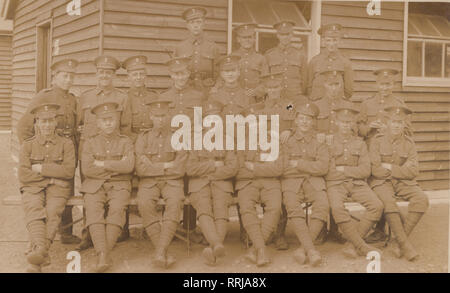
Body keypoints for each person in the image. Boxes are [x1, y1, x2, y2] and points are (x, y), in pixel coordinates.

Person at [17, 58, 81, 245]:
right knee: (43, 195)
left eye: (71, 76)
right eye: (64, 76)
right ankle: (40, 236)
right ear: (55, 77)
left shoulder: (72, 99)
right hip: (46, 152)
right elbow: (24, 127)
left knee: (65, 189)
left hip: (67, 151)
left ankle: (66, 233)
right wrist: (33, 151)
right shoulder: (43, 96)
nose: (68, 80)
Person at [77, 55, 132, 250]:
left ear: (114, 75)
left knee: (116, 189)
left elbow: (125, 127)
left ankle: (120, 230)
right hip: (91, 151)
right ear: (96, 73)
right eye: (101, 72)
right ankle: (88, 234)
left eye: (108, 72)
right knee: (91, 192)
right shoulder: (86, 96)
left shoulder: (122, 97)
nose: (104, 76)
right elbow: (79, 124)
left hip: (116, 150)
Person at [18, 103, 76, 273]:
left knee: (52, 212)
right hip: (34, 187)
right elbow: (23, 175)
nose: (47, 125)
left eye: (50, 121)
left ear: (55, 122)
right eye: (43, 121)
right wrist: (51, 179)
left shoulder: (66, 144)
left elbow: (68, 171)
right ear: (36, 123)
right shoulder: (28, 145)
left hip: (58, 189)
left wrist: (41, 169)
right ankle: (42, 252)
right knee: (34, 208)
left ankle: (36, 256)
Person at [369, 102, 428, 261]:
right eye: (394, 121)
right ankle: (405, 245)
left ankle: (397, 242)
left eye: (400, 122)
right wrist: (400, 170)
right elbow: (375, 170)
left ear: (404, 124)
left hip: (403, 183)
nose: (396, 125)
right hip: (381, 182)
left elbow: (414, 170)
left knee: (422, 199)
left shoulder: (409, 143)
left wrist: (388, 166)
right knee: (388, 202)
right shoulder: (377, 140)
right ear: (387, 122)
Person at [80, 102, 135, 272]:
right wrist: (115, 167)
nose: (108, 123)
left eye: (111, 119)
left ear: (117, 120)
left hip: (119, 186)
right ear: (98, 123)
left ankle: (104, 254)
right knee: (93, 210)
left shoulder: (126, 141)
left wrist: (102, 164)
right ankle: (103, 253)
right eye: (104, 120)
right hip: (94, 186)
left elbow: (129, 166)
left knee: (117, 210)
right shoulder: (90, 143)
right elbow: (87, 169)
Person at [325, 100, 383, 258]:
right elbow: (328, 172)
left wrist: (343, 169)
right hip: (335, 184)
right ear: (336, 122)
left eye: (349, 122)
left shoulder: (360, 142)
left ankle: (351, 244)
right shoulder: (328, 142)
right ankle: (361, 245)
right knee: (337, 208)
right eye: (342, 122)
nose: (345, 125)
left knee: (377, 206)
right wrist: (351, 171)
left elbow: (365, 170)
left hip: (357, 184)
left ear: (353, 123)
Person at [135, 98, 188, 269]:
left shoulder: (177, 137)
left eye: (163, 115)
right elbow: (141, 169)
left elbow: (180, 168)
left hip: (172, 182)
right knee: (143, 204)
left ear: (169, 116)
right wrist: (167, 165)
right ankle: (163, 251)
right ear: (151, 116)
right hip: (149, 183)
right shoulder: (143, 138)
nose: (160, 119)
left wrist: (155, 166)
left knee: (174, 203)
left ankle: (160, 251)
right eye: (156, 116)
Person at [358, 68, 409, 243]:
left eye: (388, 84)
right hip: (371, 155)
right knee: (376, 189)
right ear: (376, 84)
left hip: (390, 156)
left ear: (393, 85)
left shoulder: (399, 103)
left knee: (384, 188)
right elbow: (359, 130)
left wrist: (390, 129)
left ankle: (381, 228)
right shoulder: (367, 104)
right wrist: (370, 127)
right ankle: (385, 224)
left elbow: (408, 131)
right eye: (382, 84)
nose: (385, 88)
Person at [186, 100, 238, 265]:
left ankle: (214, 248)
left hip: (221, 183)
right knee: (204, 208)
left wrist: (211, 175)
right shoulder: (195, 140)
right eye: (209, 120)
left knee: (221, 207)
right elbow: (190, 168)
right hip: (199, 185)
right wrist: (213, 165)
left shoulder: (228, 140)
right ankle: (217, 244)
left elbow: (232, 168)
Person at [281, 103, 329, 266]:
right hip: (291, 183)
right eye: (301, 118)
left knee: (322, 206)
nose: (304, 122)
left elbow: (323, 167)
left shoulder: (319, 140)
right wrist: (309, 166)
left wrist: (299, 164)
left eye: (308, 119)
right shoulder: (286, 140)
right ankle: (312, 250)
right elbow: (284, 167)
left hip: (314, 183)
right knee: (294, 207)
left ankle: (303, 248)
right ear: (295, 120)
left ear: (313, 122)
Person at [236, 115, 283, 267]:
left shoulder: (274, 142)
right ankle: (261, 249)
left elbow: (278, 168)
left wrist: (254, 167)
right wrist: (265, 169)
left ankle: (254, 249)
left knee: (275, 208)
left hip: (270, 184)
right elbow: (238, 170)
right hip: (247, 183)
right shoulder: (240, 143)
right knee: (246, 208)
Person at [174, 6, 221, 93]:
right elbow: (174, 72)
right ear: (187, 25)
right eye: (192, 22)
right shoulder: (179, 47)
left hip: (207, 91)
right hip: (186, 91)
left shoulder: (213, 47)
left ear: (204, 24)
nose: (195, 25)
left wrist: (216, 88)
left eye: (198, 22)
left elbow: (219, 73)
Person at [307, 23, 353, 101]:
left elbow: (348, 90)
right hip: (318, 106)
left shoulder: (345, 62)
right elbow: (308, 87)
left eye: (335, 40)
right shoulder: (314, 61)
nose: (332, 44)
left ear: (339, 41)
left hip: (336, 106)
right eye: (328, 40)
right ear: (323, 41)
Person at [265, 21, 308, 102]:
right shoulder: (269, 55)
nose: (285, 37)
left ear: (292, 35)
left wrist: (299, 94)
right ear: (277, 35)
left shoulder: (300, 55)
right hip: (276, 98)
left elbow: (305, 80)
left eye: (287, 34)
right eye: (282, 35)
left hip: (294, 98)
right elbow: (265, 79)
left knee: (290, 112)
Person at [122, 55, 158, 142]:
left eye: (141, 74)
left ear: (146, 75)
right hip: (133, 141)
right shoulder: (125, 98)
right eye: (135, 74)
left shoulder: (154, 96)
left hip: (153, 141)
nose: (138, 77)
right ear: (128, 77)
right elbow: (124, 128)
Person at [231, 23, 269, 102]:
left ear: (254, 39)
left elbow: (266, 81)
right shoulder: (232, 57)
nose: (247, 40)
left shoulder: (261, 58)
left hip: (255, 100)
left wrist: (256, 91)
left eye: (250, 37)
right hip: (236, 98)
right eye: (244, 37)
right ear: (238, 39)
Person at [160, 56, 205, 121]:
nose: (180, 78)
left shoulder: (199, 96)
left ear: (189, 74)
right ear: (171, 75)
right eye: (176, 74)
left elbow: (201, 121)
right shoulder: (164, 97)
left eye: (183, 74)